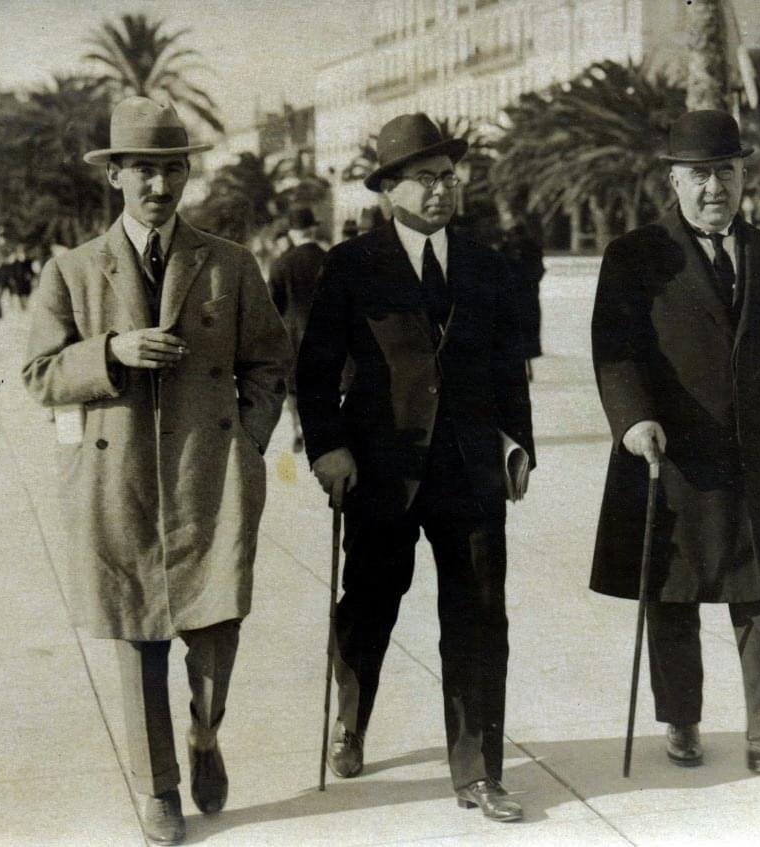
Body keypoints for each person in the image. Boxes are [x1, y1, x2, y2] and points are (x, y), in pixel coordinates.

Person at [22, 96, 292, 846]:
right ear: (115, 176)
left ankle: (205, 733)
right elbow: (39, 374)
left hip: (210, 475)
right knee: (138, 636)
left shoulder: (230, 264)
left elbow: (270, 361)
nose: (159, 186)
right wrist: (110, 353)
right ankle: (160, 787)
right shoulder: (71, 270)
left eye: (172, 169)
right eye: (143, 169)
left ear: (186, 176)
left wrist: (247, 440)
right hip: (119, 482)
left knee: (218, 627)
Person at [295, 113, 534, 822]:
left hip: (470, 473)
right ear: (388, 189)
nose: (441, 190)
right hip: (380, 471)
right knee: (368, 606)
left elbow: (509, 369)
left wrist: (518, 445)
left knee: (479, 618)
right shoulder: (351, 264)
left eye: (448, 177)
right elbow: (314, 370)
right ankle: (351, 719)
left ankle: (479, 771)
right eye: (425, 179)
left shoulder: (488, 265)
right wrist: (327, 447)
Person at [590, 110, 760, 774]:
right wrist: (632, 419)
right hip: (673, 454)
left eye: (724, 171)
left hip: (759, 455)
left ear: (743, 175)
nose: (713, 187)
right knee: (674, 592)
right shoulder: (635, 256)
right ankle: (681, 718)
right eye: (697, 175)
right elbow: (615, 351)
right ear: (673, 180)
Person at [269, 207, 326, 452]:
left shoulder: (281, 264)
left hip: (292, 334)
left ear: (292, 233)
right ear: (313, 229)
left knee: (294, 386)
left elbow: (273, 305)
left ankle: (299, 427)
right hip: (327, 331)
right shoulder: (331, 259)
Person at [498, 221, 545, 380]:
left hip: (524, 295)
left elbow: (537, 271)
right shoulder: (507, 249)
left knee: (523, 331)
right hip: (520, 296)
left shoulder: (528, 248)